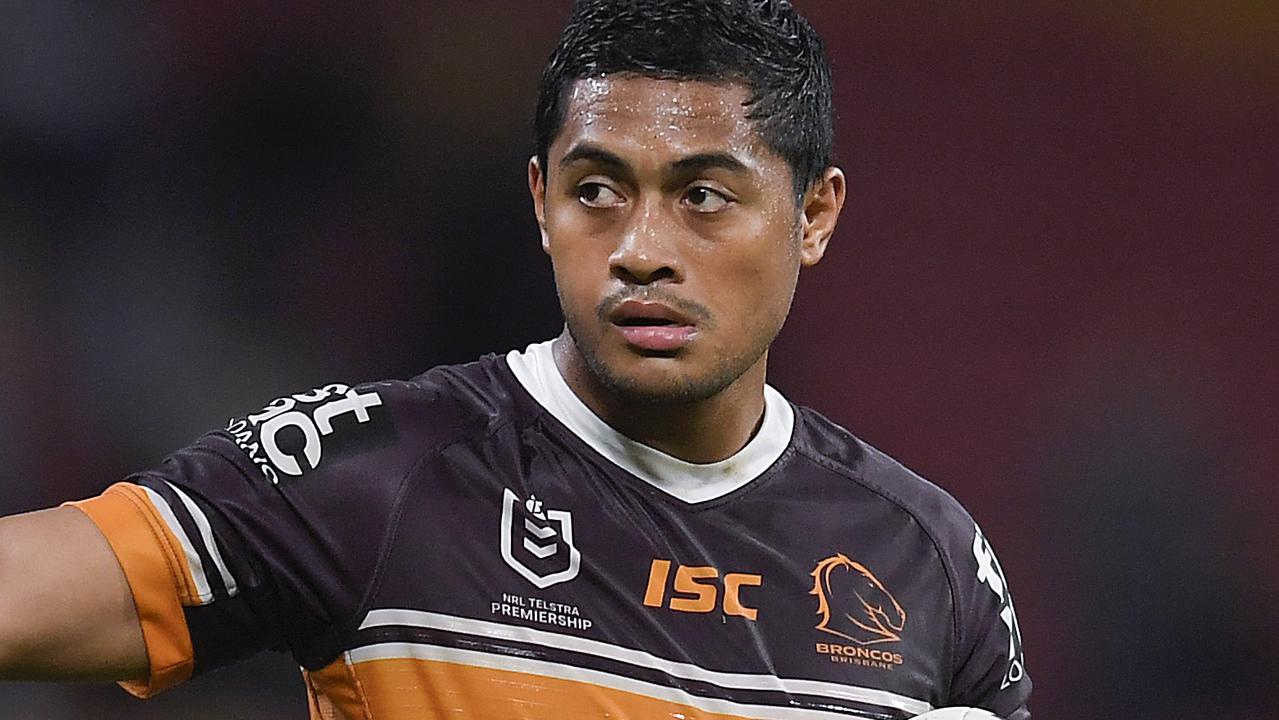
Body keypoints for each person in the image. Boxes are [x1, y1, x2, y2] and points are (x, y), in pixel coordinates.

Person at [0, 1, 1031, 718]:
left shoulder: (929, 565)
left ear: (812, 215)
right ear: (540, 203)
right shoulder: (375, 478)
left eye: (704, 196)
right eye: (597, 189)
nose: (641, 250)